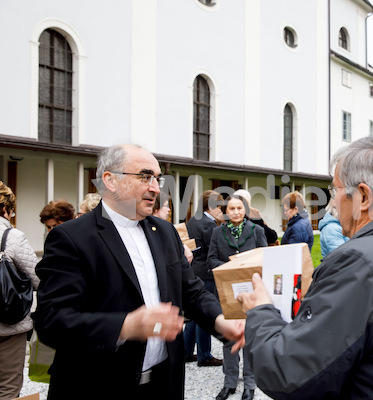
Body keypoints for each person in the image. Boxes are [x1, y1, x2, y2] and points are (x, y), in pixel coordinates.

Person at [238, 136, 373, 400]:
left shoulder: (360, 262)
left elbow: (289, 375)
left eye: (335, 191)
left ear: (363, 196)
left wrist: (261, 313)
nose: (332, 203)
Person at [34, 144, 244, 400]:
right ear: (110, 180)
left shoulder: (165, 232)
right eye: (145, 177)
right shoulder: (71, 238)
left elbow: (191, 291)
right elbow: (51, 321)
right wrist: (125, 326)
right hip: (98, 387)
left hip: (162, 385)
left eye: (157, 178)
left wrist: (220, 321)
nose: (156, 187)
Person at [207, 195, 268, 400]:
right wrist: (230, 269)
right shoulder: (217, 232)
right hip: (227, 293)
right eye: (231, 208)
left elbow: (264, 258)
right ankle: (229, 382)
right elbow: (211, 260)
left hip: (251, 291)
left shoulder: (257, 231)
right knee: (229, 338)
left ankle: (249, 385)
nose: (235, 212)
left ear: (245, 209)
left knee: (249, 337)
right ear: (227, 211)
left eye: (239, 208)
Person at [0, 181, 40, 399]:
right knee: (7, 388)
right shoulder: (12, 237)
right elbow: (40, 279)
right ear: (6, 208)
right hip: (9, 325)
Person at [184, 190, 224, 367]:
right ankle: (204, 355)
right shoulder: (209, 224)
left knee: (193, 315)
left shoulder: (193, 220)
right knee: (204, 313)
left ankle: (186, 351)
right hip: (207, 271)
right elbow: (213, 249)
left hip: (194, 269)